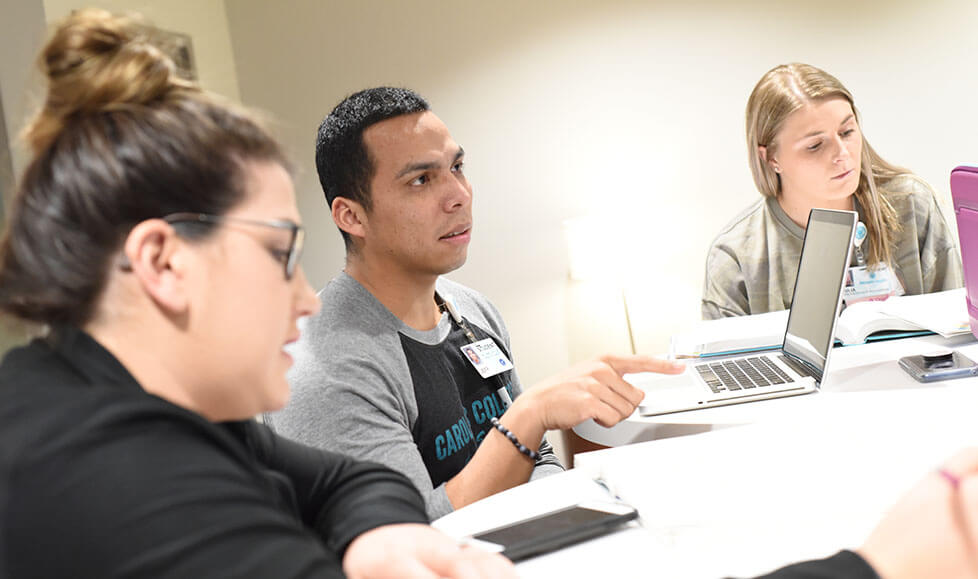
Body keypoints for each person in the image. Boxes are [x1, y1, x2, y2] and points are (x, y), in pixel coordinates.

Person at [0, 10, 515, 578]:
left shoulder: (141, 399)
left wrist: (379, 536)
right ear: (162, 262)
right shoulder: (123, 484)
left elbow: (350, 479)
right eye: (278, 256)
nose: (307, 298)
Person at [268, 87, 686, 518]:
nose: (458, 195)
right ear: (351, 216)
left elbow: (535, 461)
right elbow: (409, 539)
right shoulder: (328, 368)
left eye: (457, 167)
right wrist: (529, 415)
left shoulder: (472, 308)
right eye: (421, 180)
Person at [702, 63, 962, 320]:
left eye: (847, 131)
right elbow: (719, 358)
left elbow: (959, 328)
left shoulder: (911, 205)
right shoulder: (735, 257)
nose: (842, 154)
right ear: (771, 157)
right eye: (815, 145)